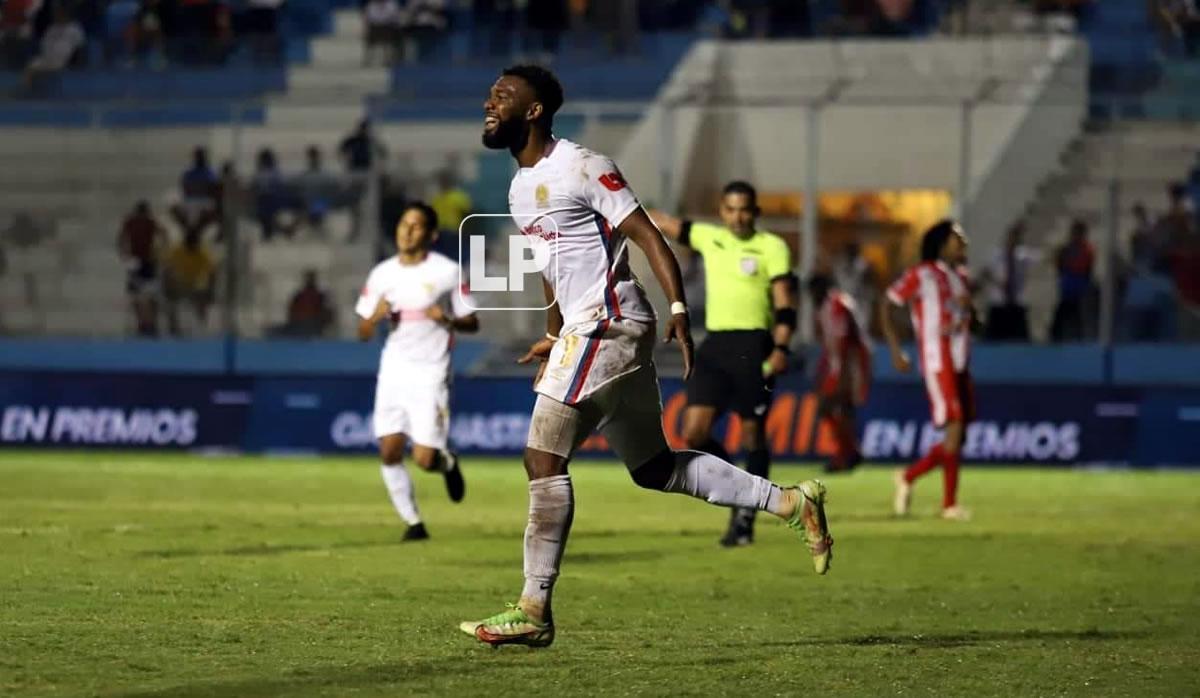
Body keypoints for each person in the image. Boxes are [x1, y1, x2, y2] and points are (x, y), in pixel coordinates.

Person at [458, 64, 832, 648]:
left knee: (541, 459)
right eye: (490, 93)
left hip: (610, 325)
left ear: (533, 111)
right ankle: (790, 501)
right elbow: (552, 266)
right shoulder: (517, 187)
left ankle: (534, 608)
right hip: (588, 331)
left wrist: (680, 310)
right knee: (654, 468)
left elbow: (648, 235)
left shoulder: (583, 165)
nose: (489, 102)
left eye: (502, 95)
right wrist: (554, 331)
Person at [648, 181, 798, 547]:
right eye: (730, 209)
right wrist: (610, 202)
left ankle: (746, 517)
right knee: (694, 432)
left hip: (755, 345)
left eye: (744, 209)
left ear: (755, 211)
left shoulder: (772, 247)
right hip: (716, 346)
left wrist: (780, 348)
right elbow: (662, 223)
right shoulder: (709, 238)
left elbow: (785, 304)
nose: (737, 216)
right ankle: (738, 489)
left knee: (752, 436)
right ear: (722, 211)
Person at [355, 202, 475, 542]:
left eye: (416, 225)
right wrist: (373, 317)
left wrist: (447, 319)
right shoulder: (382, 274)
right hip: (393, 370)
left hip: (431, 373)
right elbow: (363, 333)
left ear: (431, 235)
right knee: (389, 450)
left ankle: (446, 463)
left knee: (423, 458)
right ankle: (414, 523)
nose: (407, 231)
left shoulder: (448, 272)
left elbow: (473, 321)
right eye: (403, 224)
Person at [880, 220, 973, 522]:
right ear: (943, 243)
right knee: (955, 426)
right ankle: (949, 505)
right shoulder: (921, 275)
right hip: (937, 360)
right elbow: (888, 304)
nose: (963, 243)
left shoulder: (960, 278)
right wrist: (896, 349)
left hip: (960, 361)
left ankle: (908, 476)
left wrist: (973, 313)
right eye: (958, 238)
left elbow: (967, 318)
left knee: (958, 437)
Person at [809, 273, 870, 474]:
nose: (812, 298)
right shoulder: (826, 307)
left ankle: (846, 455)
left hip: (851, 364)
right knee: (834, 410)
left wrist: (843, 376)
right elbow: (830, 345)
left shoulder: (837, 305)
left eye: (813, 293)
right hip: (838, 364)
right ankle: (849, 452)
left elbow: (845, 342)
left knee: (836, 408)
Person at [979, 220, 1039, 341]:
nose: (1013, 241)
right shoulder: (997, 255)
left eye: (1016, 238)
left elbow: (1042, 258)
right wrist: (997, 282)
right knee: (993, 338)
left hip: (1016, 301)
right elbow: (985, 272)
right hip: (999, 301)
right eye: (1012, 238)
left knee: (1020, 339)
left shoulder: (1022, 256)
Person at [117, 200, 166, 337]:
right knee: (137, 295)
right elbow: (121, 238)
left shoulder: (150, 222)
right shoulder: (132, 222)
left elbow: (163, 235)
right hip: (137, 262)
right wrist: (124, 254)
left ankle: (150, 324)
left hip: (148, 262)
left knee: (150, 295)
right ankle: (143, 324)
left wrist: (159, 253)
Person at [1049, 219, 1095, 342]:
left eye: (1079, 233)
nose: (1076, 236)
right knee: (1063, 311)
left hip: (1079, 284)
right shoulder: (1066, 248)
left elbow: (1088, 268)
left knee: (1077, 313)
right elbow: (1059, 264)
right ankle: (1055, 336)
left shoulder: (1087, 249)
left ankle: (1079, 336)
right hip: (1068, 284)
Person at [163, 230, 215, 336]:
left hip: (195, 284)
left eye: (194, 245)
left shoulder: (202, 253)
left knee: (202, 297)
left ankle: (201, 324)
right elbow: (167, 269)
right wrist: (168, 285)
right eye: (189, 246)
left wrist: (210, 289)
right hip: (179, 284)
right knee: (171, 300)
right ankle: (173, 327)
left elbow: (212, 272)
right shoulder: (178, 251)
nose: (192, 248)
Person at [21, 7, 84, 92]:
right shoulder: (53, 28)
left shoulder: (75, 29)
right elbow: (44, 42)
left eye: (60, 14)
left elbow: (80, 46)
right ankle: (29, 88)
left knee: (33, 70)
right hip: (47, 58)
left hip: (63, 60)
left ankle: (27, 89)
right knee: (31, 65)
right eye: (56, 15)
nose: (57, 16)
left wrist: (75, 62)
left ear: (65, 15)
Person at [171, 147, 219, 241]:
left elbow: (214, 189)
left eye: (201, 156)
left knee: (205, 211)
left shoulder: (210, 172)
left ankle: (193, 232)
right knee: (173, 206)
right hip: (192, 201)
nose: (199, 158)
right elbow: (184, 188)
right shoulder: (189, 173)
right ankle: (191, 231)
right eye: (198, 156)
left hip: (204, 201)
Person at [278, 269, 334, 338]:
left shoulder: (320, 296)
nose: (309, 281)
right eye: (308, 278)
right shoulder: (299, 296)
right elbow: (292, 312)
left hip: (313, 326)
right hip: (299, 326)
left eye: (311, 278)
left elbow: (327, 314)